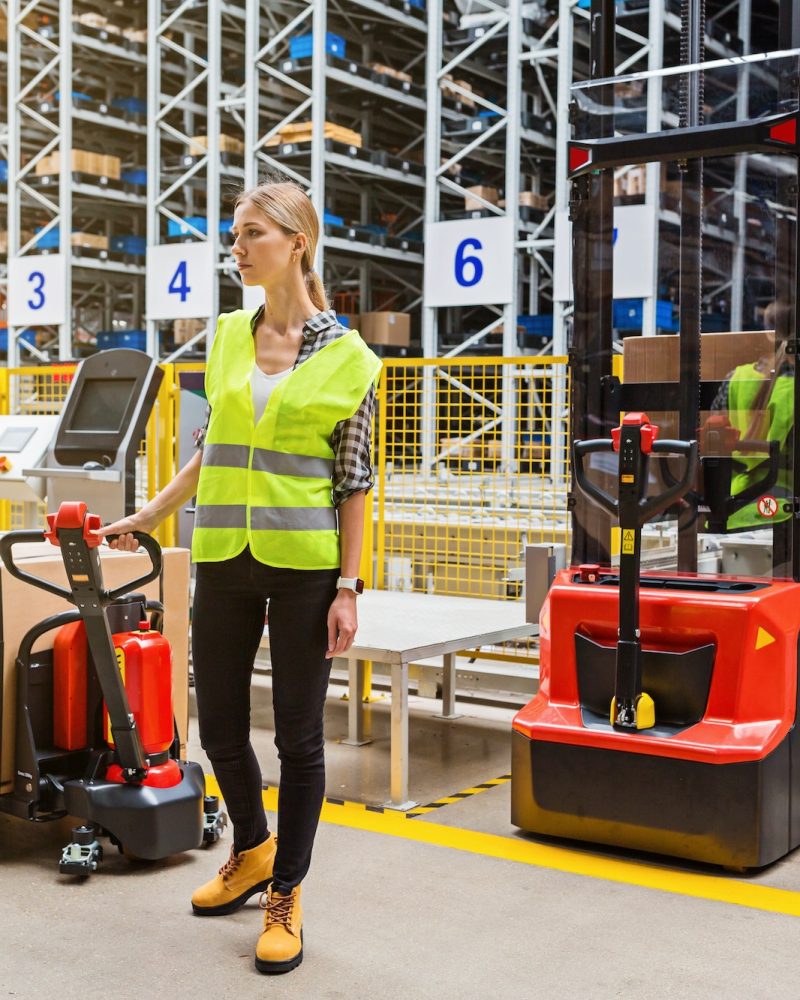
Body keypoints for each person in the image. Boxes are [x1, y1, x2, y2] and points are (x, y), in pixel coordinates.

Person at [99, 180, 382, 975]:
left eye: (251, 234)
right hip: (223, 557)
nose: (236, 247)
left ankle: (285, 893)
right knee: (218, 724)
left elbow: (354, 482)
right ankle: (252, 851)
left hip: (304, 572)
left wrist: (350, 588)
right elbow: (210, 447)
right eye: (235, 234)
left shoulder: (354, 360)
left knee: (298, 738)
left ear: (297, 242)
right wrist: (151, 514)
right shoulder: (226, 335)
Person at [707, 301, 794, 531]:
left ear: (767, 333)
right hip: (785, 510)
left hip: (735, 507)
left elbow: (711, 441)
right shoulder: (793, 386)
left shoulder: (737, 377)